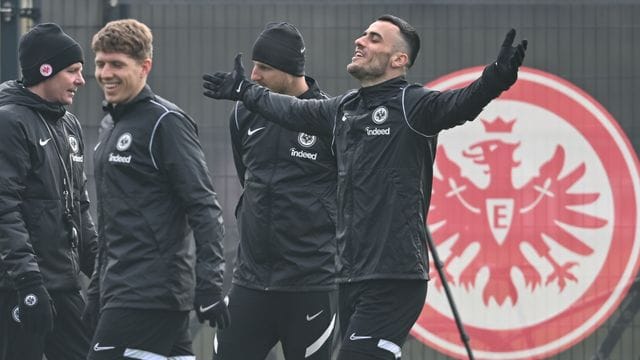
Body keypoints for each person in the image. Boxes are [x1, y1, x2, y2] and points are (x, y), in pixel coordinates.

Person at [203, 14, 527, 360]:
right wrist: (244, 91)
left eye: (374, 38)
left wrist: (494, 80)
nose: (361, 41)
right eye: (362, 35)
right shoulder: (345, 108)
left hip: (394, 278)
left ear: (398, 60)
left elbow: (460, 104)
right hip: (350, 277)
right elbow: (289, 110)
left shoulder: (412, 104)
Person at [85, 19, 229, 360]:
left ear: (144, 67)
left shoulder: (166, 123)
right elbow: (112, 222)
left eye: (117, 64)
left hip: (148, 294)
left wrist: (209, 283)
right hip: (123, 290)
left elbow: (204, 207)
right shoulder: (111, 124)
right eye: (101, 64)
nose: (106, 73)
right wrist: (96, 291)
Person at [214, 22, 337, 360]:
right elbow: (247, 178)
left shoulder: (327, 117)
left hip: (310, 283)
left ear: (291, 70)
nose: (254, 75)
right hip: (250, 281)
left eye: (264, 68)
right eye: (254, 66)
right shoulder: (244, 113)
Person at [0, 23, 98, 360]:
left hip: (63, 284)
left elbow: (80, 206)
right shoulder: (9, 122)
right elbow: (5, 209)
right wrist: (28, 283)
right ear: (46, 70)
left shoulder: (68, 123)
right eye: (72, 71)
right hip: (19, 286)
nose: (81, 80)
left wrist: (100, 271)